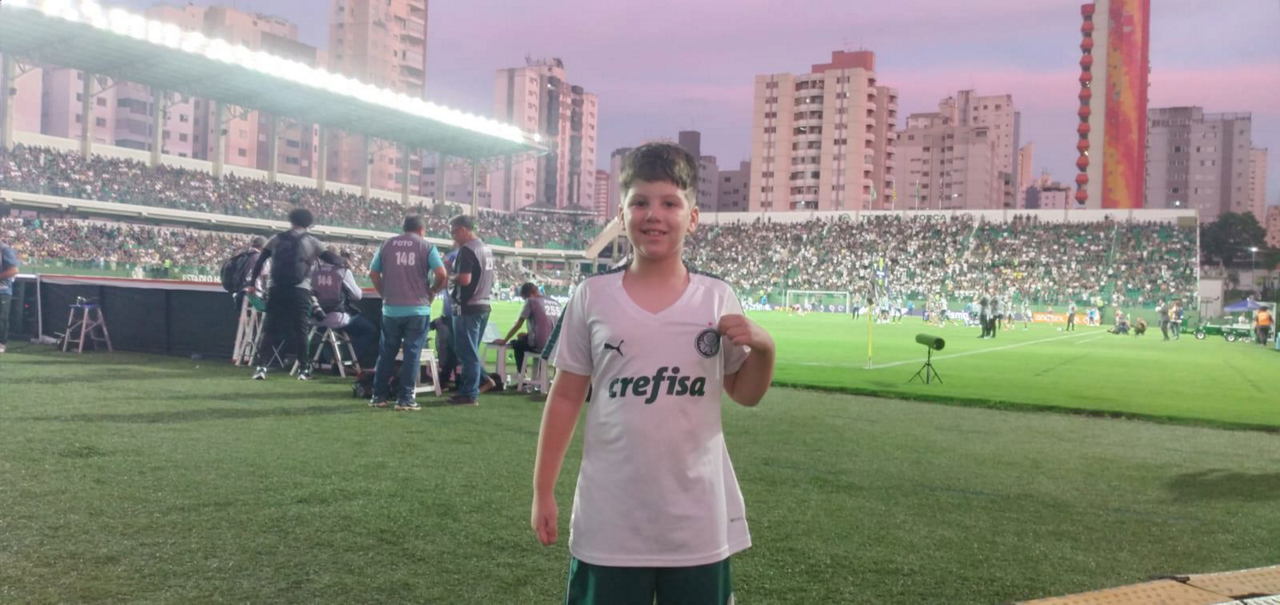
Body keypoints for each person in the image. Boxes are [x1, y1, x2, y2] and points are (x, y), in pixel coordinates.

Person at [531, 142, 775, 605]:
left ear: (693, 217)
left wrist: (766, 349)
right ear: (621, 215)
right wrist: (543, 489)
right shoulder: (592, 296)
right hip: (610, 516)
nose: (653, 215)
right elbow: (565, 396)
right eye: (640, 202)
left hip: (697, 517)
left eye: (669, 203)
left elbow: (745, 393)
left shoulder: (716, 297)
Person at [247, 208, 342, 380]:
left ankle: (261, 367)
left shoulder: (276, 238)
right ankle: (303, 370)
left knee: (270, 329)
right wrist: (345, 261)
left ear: (291, 221)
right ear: (309, 223)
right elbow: (332, 259)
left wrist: (253, 283)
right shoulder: (312, 241)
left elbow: (260, 261)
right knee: (301, 330)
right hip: (300, 289)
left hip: (276, 288)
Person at [368, 215, 448, 410]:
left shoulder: (386, 245)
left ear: (403, 228)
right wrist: (433, 290)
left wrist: (384, 294)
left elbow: (373, 273)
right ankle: (405, 399)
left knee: (387, 353)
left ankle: (379, 396)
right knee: (412, 354)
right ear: (421, 230)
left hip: (391, 309)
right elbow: (442, 274)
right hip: (417, 309)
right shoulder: (426, 247)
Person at [447, 214, 494, 407]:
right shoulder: (486, 249)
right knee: (470, 350)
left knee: (467, 352)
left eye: (454, 232)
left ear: (463, 230)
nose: (453, 237)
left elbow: (465, 280)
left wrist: (449, 275)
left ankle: (469, 393)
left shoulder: (467, 250)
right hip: (483, 304)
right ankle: (481, 381)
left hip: (468, 306)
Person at [310, 248, 376, 369]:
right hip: (337, 317)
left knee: (324, 333)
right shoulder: (342, 271)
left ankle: (331, 358)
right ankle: (346, 359)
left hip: (315, 318)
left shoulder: (312, 271)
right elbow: (357, 296)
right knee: (369, 329)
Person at [496, 282, 562, 378]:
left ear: (529, 295)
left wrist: (505, 340)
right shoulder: (556, 303)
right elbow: (548, 324)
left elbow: (518, 324)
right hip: (557, 345)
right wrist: (528, 335)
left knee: (517, 344)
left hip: (542, 344)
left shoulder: (531, 301)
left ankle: (522, 376)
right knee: (527, 340)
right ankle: (540, 376)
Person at [0, 238, 21, 354]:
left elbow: (14, 270)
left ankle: (1, 343)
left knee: (2, 318)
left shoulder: (5, 250)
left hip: (2, 290)